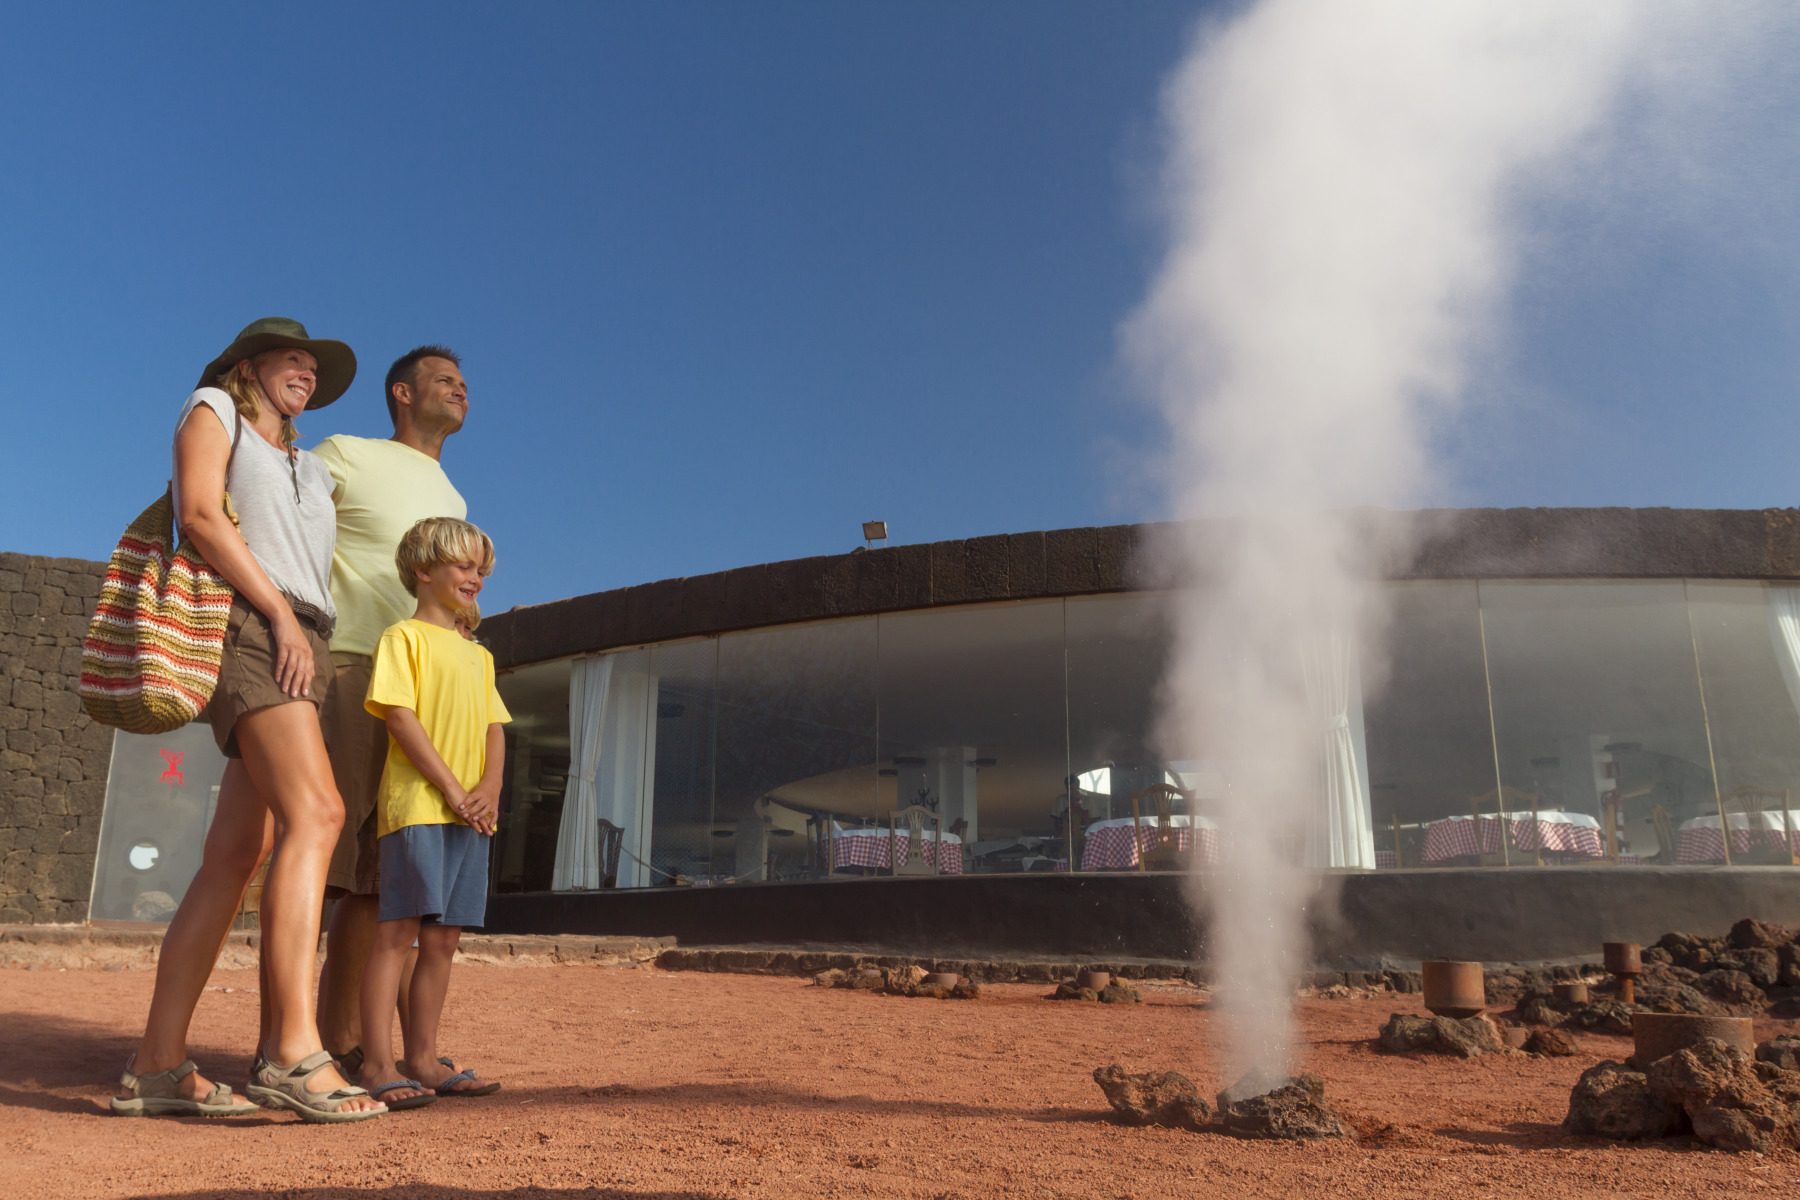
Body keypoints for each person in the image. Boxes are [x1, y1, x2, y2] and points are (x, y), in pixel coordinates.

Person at [113, 317, 384, 1122]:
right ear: (247, 365)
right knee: (320, 814)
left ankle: (158, 1064)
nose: (307, 372)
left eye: (314, 367)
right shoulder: (213, 410)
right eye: (292, 359)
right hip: (258, 628)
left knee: (238, 853)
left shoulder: (306, 464)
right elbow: (200, 514)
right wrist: (278, 614)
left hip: (307, 635)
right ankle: (293, 1053)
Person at [312, 347, 469, 1102]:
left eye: (463, 383)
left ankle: (389, 1050)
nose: (460, 389)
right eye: (445, 379)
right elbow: (282, 516)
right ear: (402, 394)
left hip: (423, 689)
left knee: (393, 883)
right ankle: (323, 1047)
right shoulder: (348, 452)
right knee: (340, 871)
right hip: (351, 666)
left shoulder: (452, 494)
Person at [358, 518, 509, 1104]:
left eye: (480, 570)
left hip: (474, 815)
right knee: (397, 934)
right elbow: (400, 717)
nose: (475, 579)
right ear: (423, 570)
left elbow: (495, 727)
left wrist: (490, 787)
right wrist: (451, 788)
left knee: (443, 941)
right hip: (419, 807)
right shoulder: (402, 638)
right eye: (463, 566)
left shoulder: (480, 654)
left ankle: (421, 1058)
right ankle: (376, 1064)